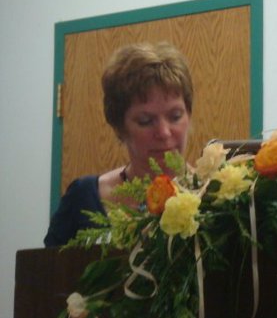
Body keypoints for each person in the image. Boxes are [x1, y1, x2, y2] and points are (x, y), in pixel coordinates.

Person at [44, 41, 193, 247]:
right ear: (119, 128)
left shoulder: (220, 196)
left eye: (175, 116)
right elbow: (47, 266)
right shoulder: (83, 198)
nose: (164, 132)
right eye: (145, 121)